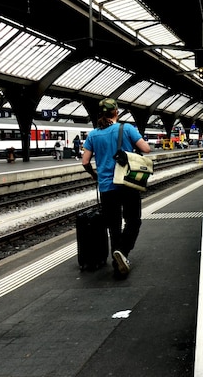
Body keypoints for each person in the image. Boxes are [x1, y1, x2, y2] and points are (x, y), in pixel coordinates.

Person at [81, 98, 151, 279]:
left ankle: (117, 258)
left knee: (113, 225)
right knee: (133, 221)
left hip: (106, 187)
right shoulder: (126, 129)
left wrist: (94, 175)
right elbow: (146, 149)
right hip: (127, 183)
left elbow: (85, 162)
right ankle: (122, 252)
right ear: (116, 111)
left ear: (101, 113)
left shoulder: (93, 135)